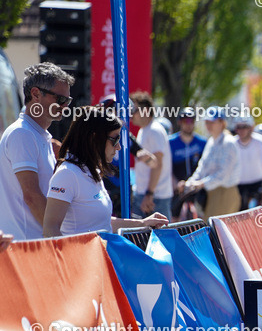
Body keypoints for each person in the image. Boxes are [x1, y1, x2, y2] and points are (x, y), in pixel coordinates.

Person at [42, 107, 167, 236]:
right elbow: (50, 229)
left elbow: (104, 223)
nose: (118, 147)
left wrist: (143, 223)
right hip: (82, 255)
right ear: (94, 138)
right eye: (115, 140)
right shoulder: (67, 174)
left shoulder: (91, 171)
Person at [0, 62, 73, 240]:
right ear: (35, 94)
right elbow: (32, 196)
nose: (65, 106)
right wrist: (61, 239)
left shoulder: (37, 134)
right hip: (26, 248)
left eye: (68, 100)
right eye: (61, 100)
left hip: (32, 246)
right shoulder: (22, 133)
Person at [184, 107, 241, 219]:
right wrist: (190, 182)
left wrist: (201, 183)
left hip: (225, 193)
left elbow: (223, 175)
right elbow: (202, 166)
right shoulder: (211, 141)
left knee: (218, 232)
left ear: (222, 123)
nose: (208, 125)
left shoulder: (228, 142)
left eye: (212, 122)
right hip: (211, 193)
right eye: (207, 122)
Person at [129, 91, 174, 219]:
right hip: (150, 195)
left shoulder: (154, 130)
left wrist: (149, 194)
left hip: (155, 198)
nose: (131, 114)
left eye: (134, 110)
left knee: (161, 238)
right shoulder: (145, 130)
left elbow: (157, 165)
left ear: (146, 110)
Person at [169, 106, 207, 220]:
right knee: (174, 219)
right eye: (186, 120)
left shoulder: (202, 143)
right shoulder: (170, 142)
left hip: (197, 188)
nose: (189, 124)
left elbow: (206, 166)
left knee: (201, 218)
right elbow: (167, 167)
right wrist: (175, 183)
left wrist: (198, 183)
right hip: (178, 188)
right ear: (180, 122)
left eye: (192, 120)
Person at [233, 116, 262, 211]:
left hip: (258, 184)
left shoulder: (260, 141)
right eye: (239, 127)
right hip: (239, 185)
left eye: (244, 127)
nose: (241, 130)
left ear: (251, 128)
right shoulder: (232, 143)